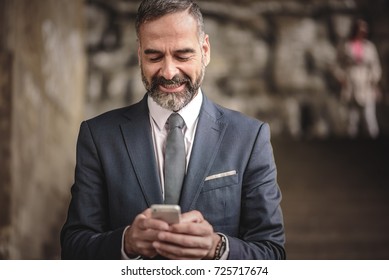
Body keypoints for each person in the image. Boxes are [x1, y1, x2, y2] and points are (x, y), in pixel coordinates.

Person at [60, 0, 285, 260]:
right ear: (139, 54)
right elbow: (74, 247)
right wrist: (126, 243)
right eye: (154, 56)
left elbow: (272, 253)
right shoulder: (98, 136)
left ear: (205, 50)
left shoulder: (250, 138)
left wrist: (216, 248)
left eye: (182, 55)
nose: (168, 72)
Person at [336, 19, 382, 138]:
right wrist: (342, 78)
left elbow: (375, 65)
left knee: (369, 115)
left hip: (366, 81)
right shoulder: (346, 46)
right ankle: (352, 145)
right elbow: (337, 65)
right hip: (351, 80)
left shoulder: (370, 47)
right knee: (352, 117)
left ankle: (374, 142)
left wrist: (374, 79)